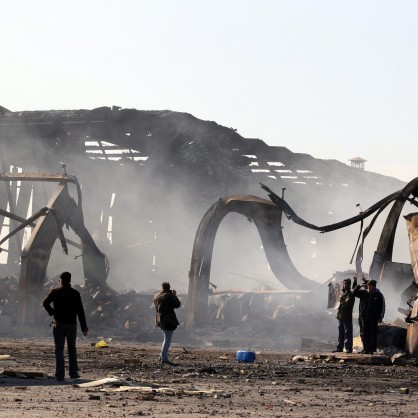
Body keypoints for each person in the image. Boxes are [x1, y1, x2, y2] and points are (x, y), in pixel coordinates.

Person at [43, 272, 88, 381]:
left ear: (60, 280)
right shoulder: (75, 293)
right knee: (72, 348)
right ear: (70, 280)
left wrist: (52, 312)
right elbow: (80, 312)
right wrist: (84, 328)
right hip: (71, 325)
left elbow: (45, 303)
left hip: (58, 324)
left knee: (59, 349)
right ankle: (73, 373)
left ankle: (59, 375)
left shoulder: (55, 292)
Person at [353, 278, 385, 354]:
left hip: (373, 318)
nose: (369, 287)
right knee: (364, 333)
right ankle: (365, 349)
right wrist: (359, 285)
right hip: (364, 317)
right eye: (368, 286)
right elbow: (354, 293)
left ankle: (372, 350)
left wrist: (381, 317)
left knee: (372, 334)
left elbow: (382, 306)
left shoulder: (379, 295)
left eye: (370, 286)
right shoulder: (364, 293)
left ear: (374, 286)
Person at [154, 282, 181, 365]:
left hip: (159, 319)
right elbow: (177, 305)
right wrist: (174, 295)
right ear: (168, 288)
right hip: (168, 319)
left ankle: (161, 356)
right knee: (167, 339)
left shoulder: (156, 295)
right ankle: (164, 358)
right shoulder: (169, 296)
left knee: (166, 338)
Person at [332, 278, 355, 353]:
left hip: (346, 316)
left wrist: (340, 299)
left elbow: (346, 304)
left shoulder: (350, 294)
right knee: (341, 333)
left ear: (349, 285)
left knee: (347, 333)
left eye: (346, 284)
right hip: (341, 316)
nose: (345, 285)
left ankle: (348, 348)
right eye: (344, 284)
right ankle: (339, 347)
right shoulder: (343, 294)